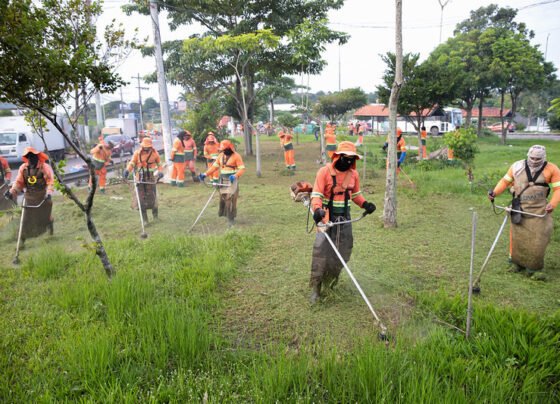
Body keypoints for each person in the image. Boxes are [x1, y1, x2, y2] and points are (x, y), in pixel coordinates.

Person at [309, 141, 377, 304]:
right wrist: (317, 210)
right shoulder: (324, 172)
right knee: (321, 253)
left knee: (343, 252)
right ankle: (316, 288)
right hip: (326, 219)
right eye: (345, 158)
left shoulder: (353, 175)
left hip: (345, 219)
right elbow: (316, 195)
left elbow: (356, 195)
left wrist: (365, 204)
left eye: (351, 159)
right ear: (338, 157)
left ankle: (331, 281)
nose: (348, 161)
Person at [488, 145, 560, 280]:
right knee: (517, 237)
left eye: (538, 159)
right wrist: (495, 192)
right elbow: (505, 181)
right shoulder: (517, 166)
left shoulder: (552, 169)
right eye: (532, 158)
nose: (534, 161)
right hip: (519, 208)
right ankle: (515, 263)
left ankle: (534, 268)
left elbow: (558, 189)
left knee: (538, 240)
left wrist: (553, 204)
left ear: (544, 158)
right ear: (528, 155)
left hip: (539, 211)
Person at [5, 147, 54, 244]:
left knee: (43, 218)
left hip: (43, 197)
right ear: (27, 158)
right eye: (29, 157)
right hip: (29, 198)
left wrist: (49, 193)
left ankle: (50, 224)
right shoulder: (23, 168)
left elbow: (50, 181)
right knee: (25, 220)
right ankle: (21, 241)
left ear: (37, 157)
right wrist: (12, 192)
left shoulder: (44, 167)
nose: (31, 158)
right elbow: (18, 183)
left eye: (33, 156)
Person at [199, 139, 245, 226]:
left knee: (230, 199)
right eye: (222, 150)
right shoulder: (220, 156)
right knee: (224, 199)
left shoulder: (236, 156)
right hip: (223, 178)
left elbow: (242, 169)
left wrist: (235, 176)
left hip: (232, 179)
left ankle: (231, 218)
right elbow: (214, 167)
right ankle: (227, 215)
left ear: (229, 148)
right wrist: (205, 174)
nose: (223, 151)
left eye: (224, 149)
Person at [124, 137, 164, 222]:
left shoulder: (155, 153)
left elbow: (159, 164)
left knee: (153, 197)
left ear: (150, 146)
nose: (146, 148)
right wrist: (127, 170)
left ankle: (155, 217)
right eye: (145, 146)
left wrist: (160, 171)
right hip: (140, 179)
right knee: (141, 199)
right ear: (142, 146)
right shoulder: (137, 153)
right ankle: (145, 220)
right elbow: (132, 163)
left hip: (151, 178)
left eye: (148, 147)